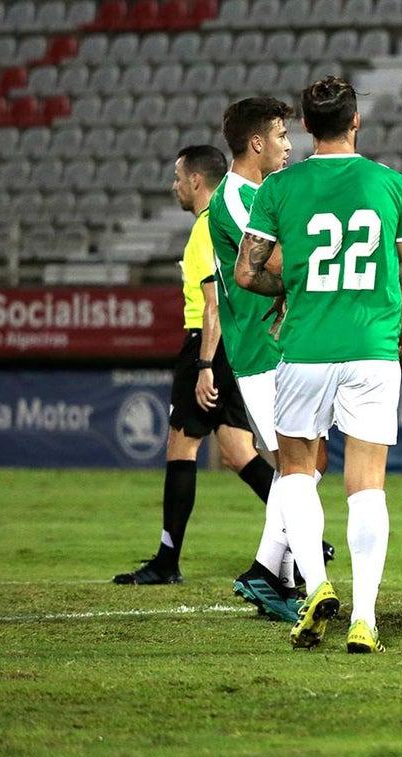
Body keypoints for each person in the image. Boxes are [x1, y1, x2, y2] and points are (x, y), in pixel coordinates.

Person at [235, 75, 402, 653]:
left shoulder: (279, 187)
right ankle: (365, 619)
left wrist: (289, 286)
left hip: (303, 350)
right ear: (355, 123)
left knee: (296, 471)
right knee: (366, 484)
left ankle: (317, 585)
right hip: (372, 351)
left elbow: (248, 273)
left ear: (304, 125)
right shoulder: (390, 184)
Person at [114, 145, 276, 586]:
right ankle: (300, 534)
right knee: (239, 453)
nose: (174, 186)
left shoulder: (207, 229)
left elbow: (212, 306)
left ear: (196, 181)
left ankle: (167, 560)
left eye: (178, 176)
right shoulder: (217, 222)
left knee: (181, 447)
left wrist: (204, 363)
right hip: (231, 349)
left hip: (207, 347)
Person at [200, 96, 333, 622]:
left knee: (304, 459)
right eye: (280, 135)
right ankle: (267, 571)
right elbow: (276, 259)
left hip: (282, 343)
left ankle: (273, 574)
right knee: (301, 461)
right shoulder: (235, 198)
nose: (287, 144)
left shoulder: (261, 192)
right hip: (260, 349)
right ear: (257, 142)